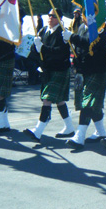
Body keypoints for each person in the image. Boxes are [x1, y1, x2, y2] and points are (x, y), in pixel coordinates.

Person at [24, 8, 75, 142]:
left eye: (53, 16)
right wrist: (36, 48)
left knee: (47, 99)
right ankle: (69, 127)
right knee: (59, 100)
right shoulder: (43, 31)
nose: (50, 18)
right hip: (47, 70)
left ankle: (38, 131)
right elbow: (36, 51)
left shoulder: (63, 33)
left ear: (59, 19)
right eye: (49, 15)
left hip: (59, 70)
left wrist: (43, 48)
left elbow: (60, 52)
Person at [66, 24, 106, 148]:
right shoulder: (81, 27)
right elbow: (79, 49)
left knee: (87, 103)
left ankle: (79, 137)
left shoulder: (102, 27)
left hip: (97, 69)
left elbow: (92, 44)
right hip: (84, 69)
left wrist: (72, 37)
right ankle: (101, 132)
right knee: (92, 105)